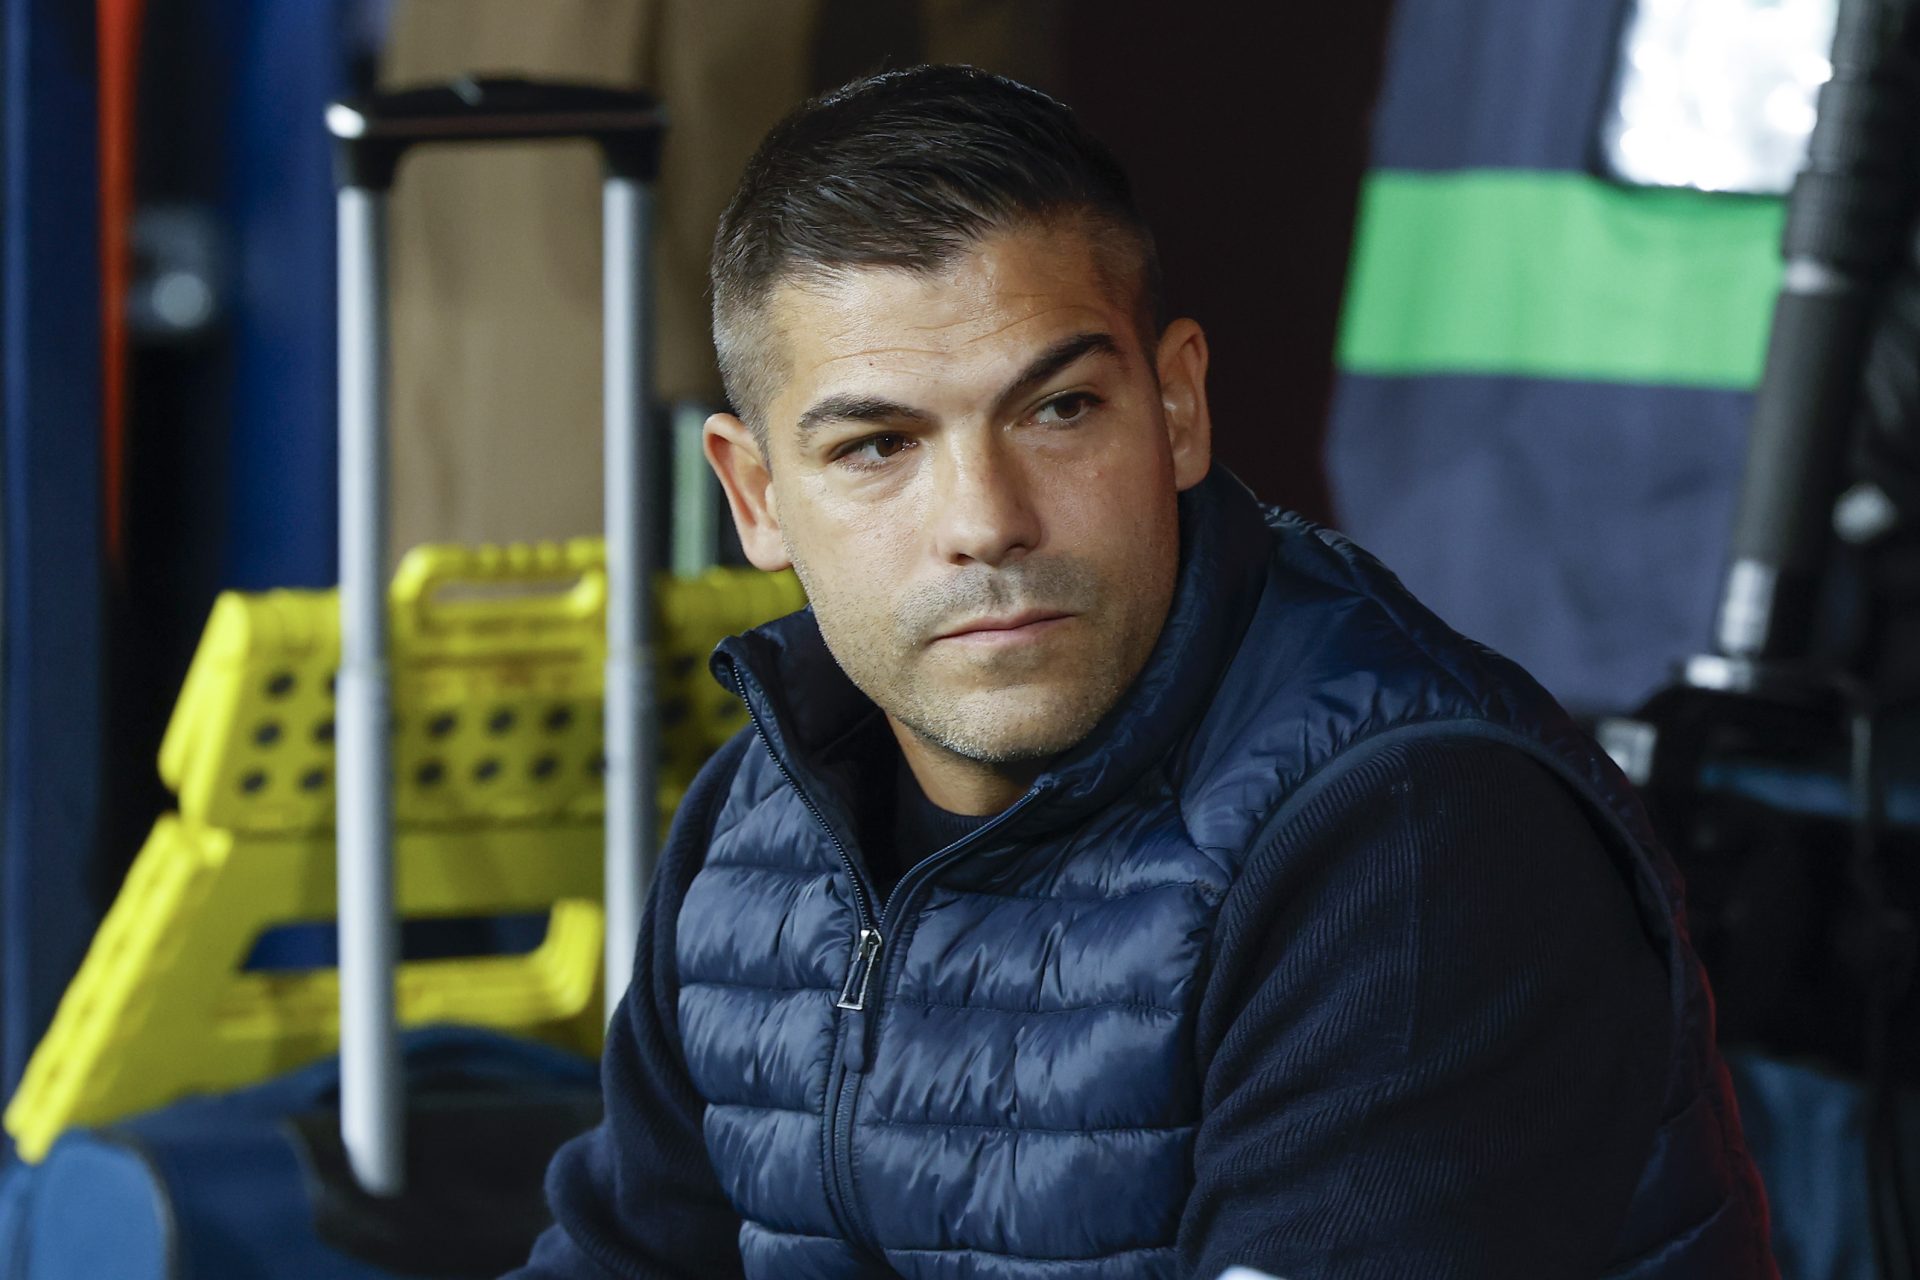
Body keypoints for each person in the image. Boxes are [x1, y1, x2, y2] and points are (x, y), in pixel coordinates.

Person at [510, 65, 1775, 1279]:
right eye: (879, 446)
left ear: (1177, 408)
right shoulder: (763, 820)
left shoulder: (1414, 835)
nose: (986, 520)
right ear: (755, 495)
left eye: (1058, 409)